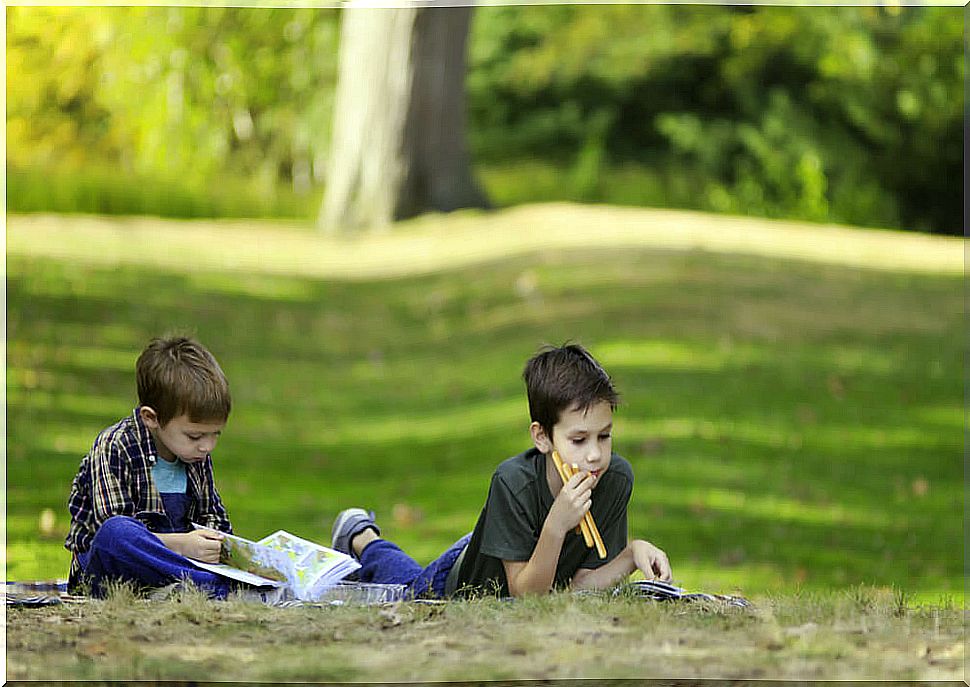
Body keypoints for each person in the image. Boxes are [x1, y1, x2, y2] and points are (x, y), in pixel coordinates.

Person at [331, 343, 672, 598]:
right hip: (463, 578)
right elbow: (527, 597)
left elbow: (580, 587)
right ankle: (362, 537)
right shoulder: (513, 482)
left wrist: (631, 555)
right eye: (579, 440)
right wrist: (556, 524)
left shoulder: (614, 479)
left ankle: (363, 537)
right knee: (408, 588)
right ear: (542, 437)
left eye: (605, 436)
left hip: (502, 543)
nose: (595, 455)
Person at [65, 335, 236, 598]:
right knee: (117, 533)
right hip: (110, 574)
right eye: (195, 436)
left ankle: (194, 586)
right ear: (151, 418)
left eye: (215, 435)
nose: (207, 446)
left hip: (176, 569)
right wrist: (183, 545)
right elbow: (111, 536)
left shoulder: (195, 456)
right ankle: (212, 588)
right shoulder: (115, 446)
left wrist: (216, 543)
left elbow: (214, 519)